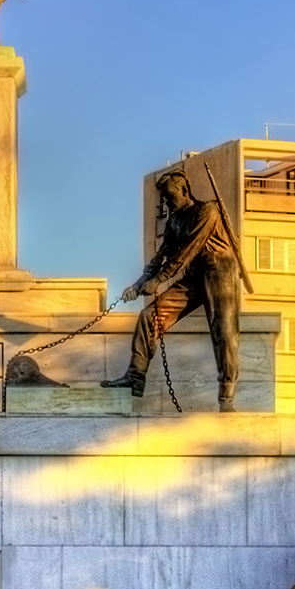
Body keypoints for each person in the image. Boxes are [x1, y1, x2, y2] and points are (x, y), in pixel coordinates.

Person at [103, 170, 248, 411]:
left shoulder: (207, 212)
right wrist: (138, 284)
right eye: (164, 199)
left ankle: (226, 398)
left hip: (219, 272)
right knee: (149, 316)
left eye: (170, 197)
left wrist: (158, 280)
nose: (167, 203)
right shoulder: (173, 222)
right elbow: (161, 257)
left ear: (185, 190)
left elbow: (186, 252)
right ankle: (135, 377)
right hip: (193, 276)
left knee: (223, 332)